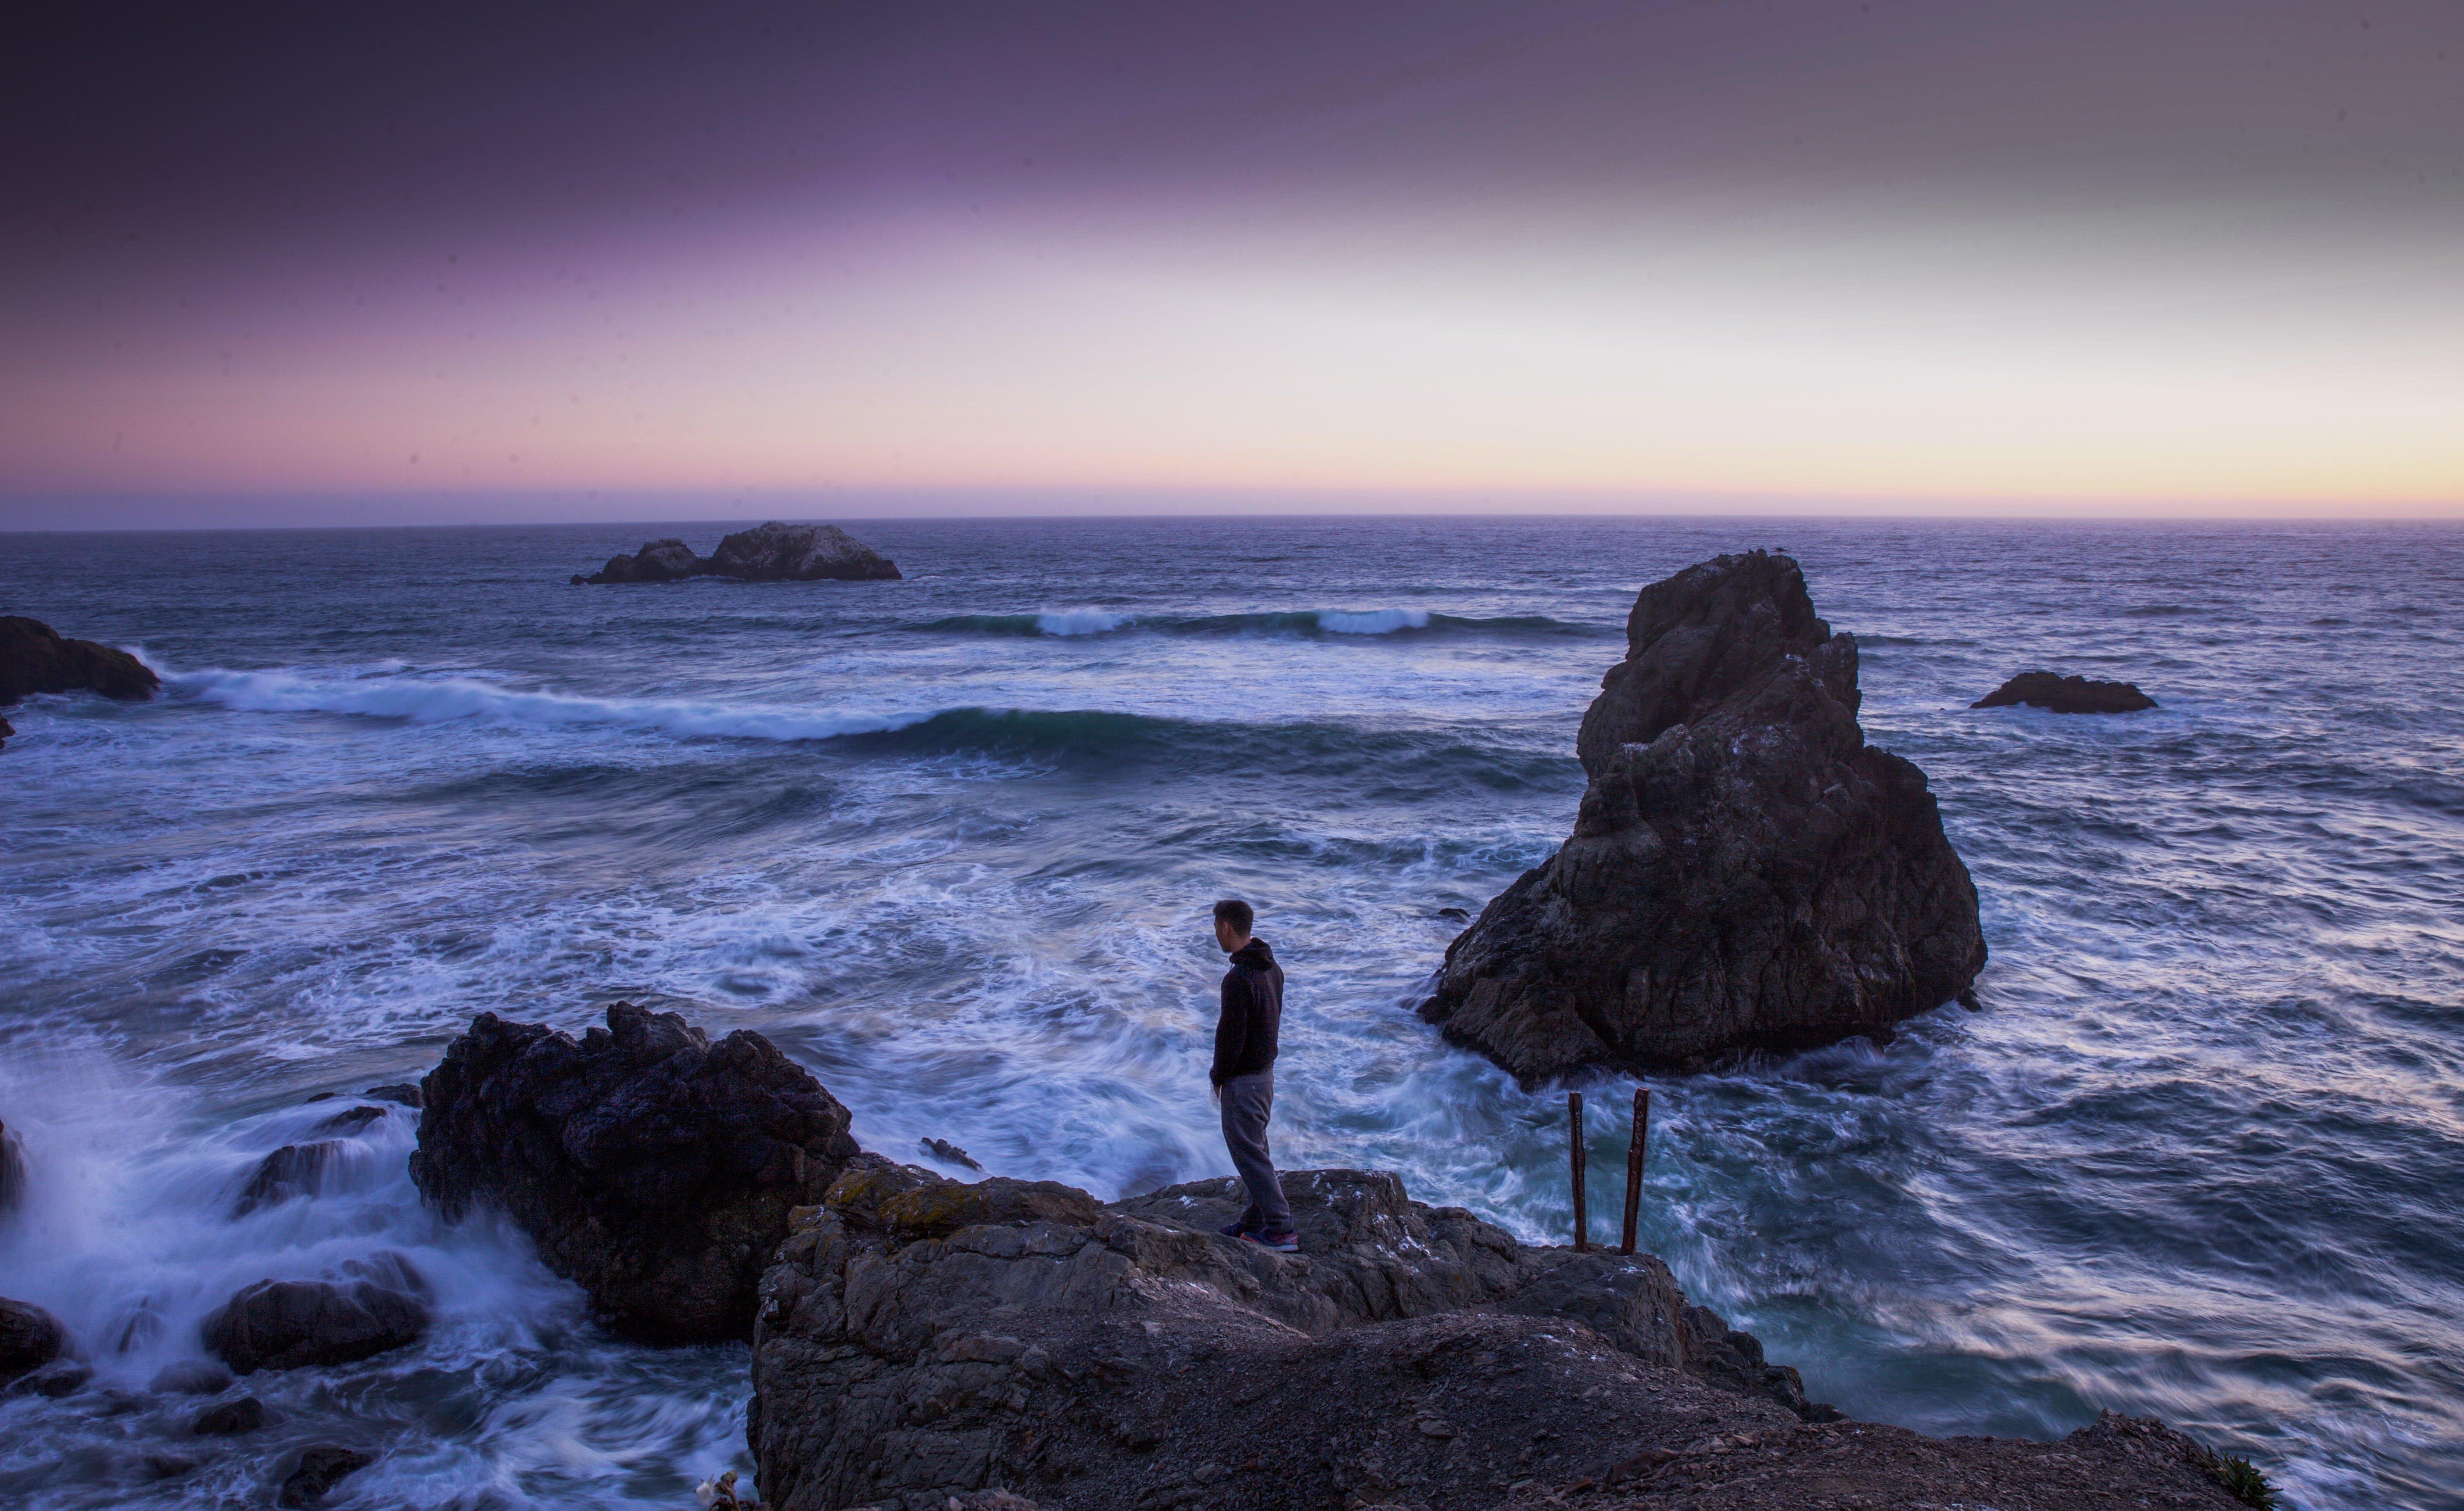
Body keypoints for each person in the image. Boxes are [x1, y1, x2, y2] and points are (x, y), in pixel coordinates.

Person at [1209, 897, 1295, 1251]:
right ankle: (1255, 1219)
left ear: (1226, 927)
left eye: (1216, 927)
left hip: (1243, 1082)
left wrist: (1218, 1076)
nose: (1215, 934)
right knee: (1256, 1148)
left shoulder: (1238, 979)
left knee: (1248, 1153)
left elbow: (1230, 1036)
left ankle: (1281, 1229)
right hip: (1266, 1076)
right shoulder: (1271, 969)